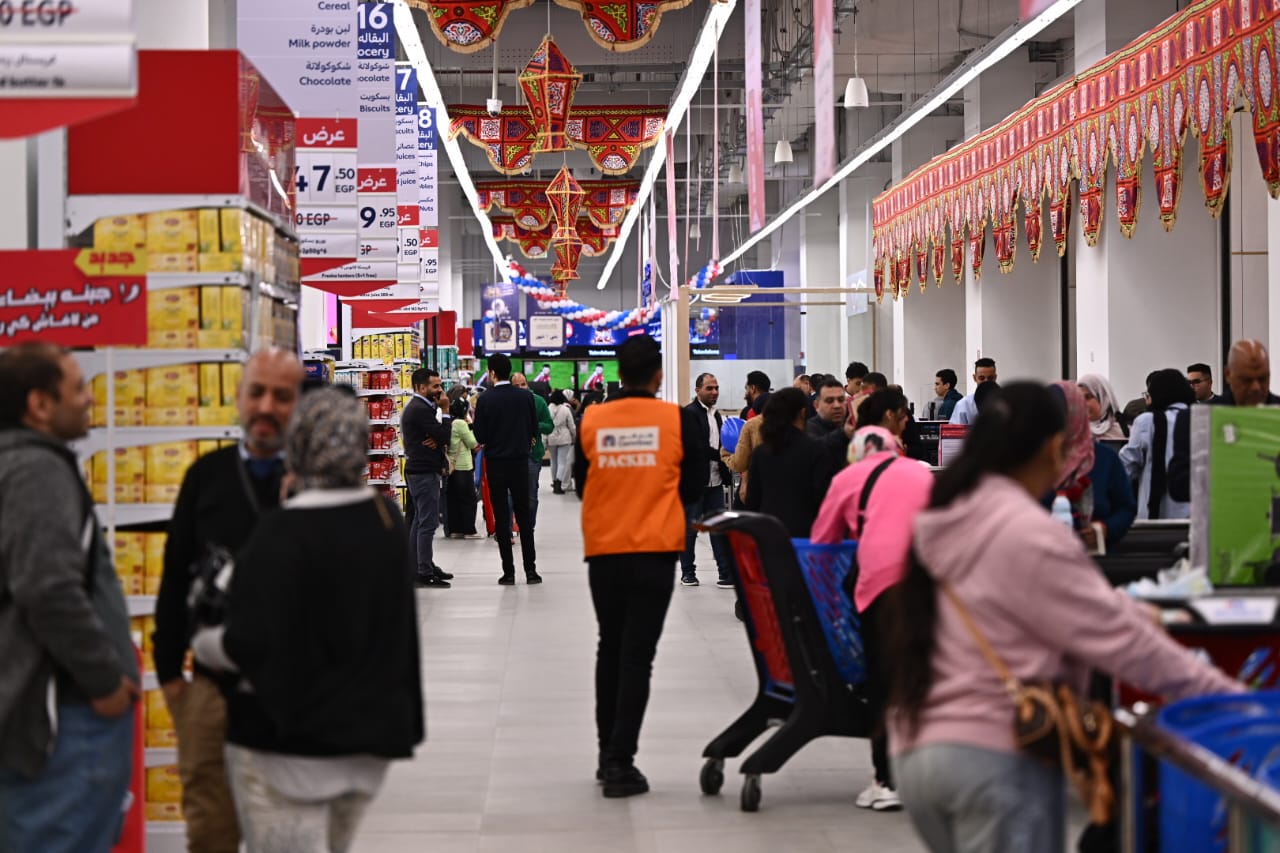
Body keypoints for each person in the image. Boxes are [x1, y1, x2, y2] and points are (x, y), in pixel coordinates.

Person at [886, 382, 1241, 853]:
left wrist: (1131, 609)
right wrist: (1236, 701)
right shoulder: (1030, 531)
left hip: (917, 749)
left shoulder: (946, 516)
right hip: (994, 757)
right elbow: (1125, 643)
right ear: (1055, 446)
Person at [191, 388, 423, 853]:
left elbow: (249, 641)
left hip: (290, 744)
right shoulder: (386, 519)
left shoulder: (281, 532)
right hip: (369, 742)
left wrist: (204, 643)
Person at [154, 347, 303, 853]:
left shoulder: (318, 483)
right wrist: (171, 676)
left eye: (281, 396)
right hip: (210, 692)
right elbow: (176, 575)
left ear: (298, 405)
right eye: (256, 393)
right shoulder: (206, 476)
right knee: (210, 833)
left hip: (293, 697)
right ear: (238, 398)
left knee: (287, 836)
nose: (266, 407)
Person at [0, 343, 139, 853]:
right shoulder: (37, 472)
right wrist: (105, 683)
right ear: (39, 404)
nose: (89, 398)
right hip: (63, 722)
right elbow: (49, 589)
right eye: (78, 388)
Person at [573, 335, 703, 798]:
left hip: (605, 550)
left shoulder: (593, 419)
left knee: (609, 647)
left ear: (618, 373)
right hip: (655, 550)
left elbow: (582, 484)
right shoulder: (677, 420)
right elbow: (694, 485)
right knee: (637, 656)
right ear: (658, 374)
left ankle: (606, 753)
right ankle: (620, 760)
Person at [812, 391, 932, 814]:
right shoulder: (920, 473)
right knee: (921, 677)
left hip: (882, 587)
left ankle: (887, 780)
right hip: (929, 585)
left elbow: (822, 543)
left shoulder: (848, 479)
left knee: (882, 680)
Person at [1169, 340, 1280, 502]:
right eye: (1247, 380)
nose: (1256, 387)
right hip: (1221, 515)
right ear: (1228, 375)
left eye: (1263, 379)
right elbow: (1177, 486)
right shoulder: (1196, 420)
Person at [473, 354, 543, 585]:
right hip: (520, 462)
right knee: (524, 516)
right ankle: (531, 571)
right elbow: (534, 429)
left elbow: (480, 435)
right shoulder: (526, 397)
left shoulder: (485, 399)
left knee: (502, 516)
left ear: (492, 372)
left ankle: (508, 572)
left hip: (496, 463)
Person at [1050, 382, 1136, 550]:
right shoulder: (1035, 461)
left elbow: (1126, 508)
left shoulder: (1105, 458)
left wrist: (1104, 529)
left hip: (1095, 558)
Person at [744, 387, 836, 537]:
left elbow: (752, 500)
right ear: (803, 413)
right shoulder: (815, 449)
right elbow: (823, 498)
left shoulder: (761, 452)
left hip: (769, 535)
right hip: (806, 536)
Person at [402, 368, 454, 588]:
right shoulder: (420, 409)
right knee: (428, 523)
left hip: (420, 470)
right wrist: (446, 411)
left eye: (440, 385)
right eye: (435, 386)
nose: (440, 390)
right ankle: (423, 572)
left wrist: (437, 437)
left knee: (419, 520)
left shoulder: (423, 407)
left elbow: (438, 436)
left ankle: (421, 565)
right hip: (423, 472)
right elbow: (445, 436)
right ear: (421, 387)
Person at [681, 373, 733, 588]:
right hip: (695, 483)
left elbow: (720, 443)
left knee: (718, 528)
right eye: (709, 388)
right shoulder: (689, 414)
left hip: (715, 482)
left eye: (716, 388)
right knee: (690, 530)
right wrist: (720, 455)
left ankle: (725, 573)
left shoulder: (716, 415)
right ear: (697, 390)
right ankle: (688, 573)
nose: (714, 392)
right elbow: (696, 447)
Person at [1120, 369, 1194, 520]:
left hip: (1156, 515)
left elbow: (1126, 467)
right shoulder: (1203, 419)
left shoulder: (1147, 422)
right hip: (1197, 516)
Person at [511, 374, 554, 529]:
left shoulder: (538, 402)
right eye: (516, 386)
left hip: (532, 455)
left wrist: (534, 425)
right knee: (509, 494)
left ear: (527, 384)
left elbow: (549, 426)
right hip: (511, 454)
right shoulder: (507, 402)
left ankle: (528, 527)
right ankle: (510, 527)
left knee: (530, 495)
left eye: (523, 384)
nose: (520, 388)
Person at [445, 397, 480, 539]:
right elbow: (473, 443)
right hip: (463, 467)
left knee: (454, 499)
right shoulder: (460, 423)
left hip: (452, 467)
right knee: (469, 499)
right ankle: (469, 530)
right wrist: (470, 426)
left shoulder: (450, 422)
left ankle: (455, 529)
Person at [947, 357, 997, 425]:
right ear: (974, 378)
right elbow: (955, 430)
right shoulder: (963, 404)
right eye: (981, 378)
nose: (986, 381)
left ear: (995, 377)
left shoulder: (1005, 403)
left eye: (990, 378)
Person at [1077, 374, 1127, 439]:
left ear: (1103, 398)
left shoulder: (1126, 432)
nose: (1082, 403)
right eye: (1079, 398)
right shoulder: (1071, 433)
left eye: (1088, 397)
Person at [547, 390, 577, 495]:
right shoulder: (565, 409)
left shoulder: (548, 409)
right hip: (564, 437)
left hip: (551, 436)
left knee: (553, 461)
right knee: (562, 462)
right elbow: (572, 425)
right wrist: (574, 436)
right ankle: (559, 485)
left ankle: (554, 481)